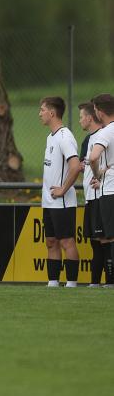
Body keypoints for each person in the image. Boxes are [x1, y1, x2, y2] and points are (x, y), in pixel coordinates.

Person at [38, 97, 81, 287]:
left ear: (52, 113)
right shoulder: (51, 137)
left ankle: (71, 283)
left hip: (62, 202)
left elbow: (75, 166)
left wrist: (63, 189)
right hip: (49, 201)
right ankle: (53, 282)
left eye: (42, 110)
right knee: (51, 241)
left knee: (66, 242)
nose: (40, 114)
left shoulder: (65, 136)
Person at [86, 93, 114, 285]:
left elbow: (94, 157)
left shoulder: (105, 132)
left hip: (110, 191)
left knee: (109, 237)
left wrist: (97, 174)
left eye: (95, 109)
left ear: (100, 112)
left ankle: (111, 281)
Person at [78, 102, 105, 286]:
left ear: (89, 117)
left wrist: (100, 177)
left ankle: (108, 281)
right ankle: (95, 283)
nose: (80, 120)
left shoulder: (105, 136)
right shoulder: (88, 140)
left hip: (101, 196)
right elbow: (85, 162)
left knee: (105, 239)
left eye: (81, 117)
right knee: (95, 241)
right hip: (90, 196)